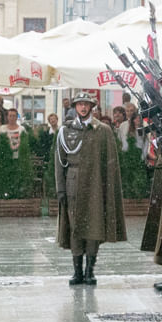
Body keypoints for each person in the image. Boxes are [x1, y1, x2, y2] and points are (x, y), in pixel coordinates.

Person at [55, 92, 127, 286]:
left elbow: (110, 162)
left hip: (95, 183)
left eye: (87, 104)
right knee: (75, 227)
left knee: (94, 226)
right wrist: (60, 189)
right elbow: (59, 162)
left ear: (92, 107)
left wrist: (107, 188)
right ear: (75, 107)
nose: (83, 108)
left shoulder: (102, 130)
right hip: (73, 182)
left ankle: (90, 271)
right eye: (80, 105)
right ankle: (77, 271)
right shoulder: (66, 131)